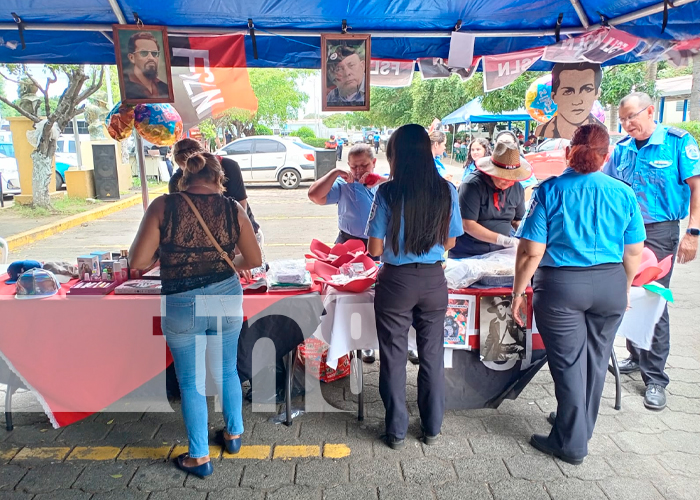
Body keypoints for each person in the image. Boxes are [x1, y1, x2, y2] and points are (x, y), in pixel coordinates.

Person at [511, 123, 645, 465]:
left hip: (561, 288)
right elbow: (633, 252)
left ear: (569, 151)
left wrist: (517, 292)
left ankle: (570, 445)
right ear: (607, 156)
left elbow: (530, 252)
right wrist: (624, 288)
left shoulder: (549, 191)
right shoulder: (623, 191)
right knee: (595, 362)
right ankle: (577, 425)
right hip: (611, 283)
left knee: (569, 364)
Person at [128, 143, 263, 478]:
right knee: (228, 370)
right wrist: (227, 262)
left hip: (182, 300)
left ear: (183, 178)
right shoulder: (234, 208)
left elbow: (137, 262)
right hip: (226, 296)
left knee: (190, 381)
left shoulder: (163, 206)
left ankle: (199, 456)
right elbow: (255, 260)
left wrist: (167, 253)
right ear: (219, 178)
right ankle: (233, 435)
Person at [366, 124, 463, 450]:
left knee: (393, 356)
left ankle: (395, 431)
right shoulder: (447, 190)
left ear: (396, 155)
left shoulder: (387, 192)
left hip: (396, 281)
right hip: (435, 280)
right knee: (432, 355)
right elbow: (450, 241)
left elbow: (375, 250)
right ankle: (432, 427)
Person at [603, 92, 700, 410]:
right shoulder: (621, 150)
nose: (628, 123)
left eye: (633, 116)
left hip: (661, 232)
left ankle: (656, 378)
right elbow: (607, 188)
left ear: (650, 111)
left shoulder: (677, 142)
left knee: (655, 298)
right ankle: (635, 353)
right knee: (628, 296)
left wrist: (693, 232)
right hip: (626, 234)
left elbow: (697, 187)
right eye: (624, 118)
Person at [308, 143, 386, 364]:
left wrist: (381, 182)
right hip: (349, 245)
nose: (359, 171)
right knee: (350, 297)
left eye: (364, 166)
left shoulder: (386, 183)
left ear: (374, 163)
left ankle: (382, 339)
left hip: (379, 245)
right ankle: (358, 342)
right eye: (354, 167)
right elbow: (315, 196)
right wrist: (334, 173)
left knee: (378, 294)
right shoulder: (344, 184)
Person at [169, 138, 262, 244]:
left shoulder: (228, 166)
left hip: (238, 229)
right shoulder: (176, 181)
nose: (192, 170)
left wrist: (238, 241)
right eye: (186, 168)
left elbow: (241, 205)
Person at [449, 142, 530, 259]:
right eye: (503, 177)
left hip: (502, 253)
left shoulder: (516, 187)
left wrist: (523, 235)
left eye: (511, 178)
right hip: (469, 253)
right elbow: (467, 224)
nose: (507, 181)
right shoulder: (471, 185)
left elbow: (517, 219)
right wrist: (502, 240)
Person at [535, 62, 603, 140]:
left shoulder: (601, 132)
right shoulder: (542, 131)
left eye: (587, 89)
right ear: (554, 96)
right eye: (568, 92)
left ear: (597, 93)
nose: (577, 101)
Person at [123, 32, 169, 100]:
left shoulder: (165, 88)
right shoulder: (126, 88)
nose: (151, 57)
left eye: (154, 53)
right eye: (144, 53)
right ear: (132, 58)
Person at [482, 296, 525, 361]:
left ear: (504, 308)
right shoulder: (493, 322)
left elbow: (526, 331)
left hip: (514, 353)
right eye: (497, 310)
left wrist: (523, 345)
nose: (499, 312)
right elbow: (490, 338)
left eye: (501, 309)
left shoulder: (514, 319)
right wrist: (483, 355)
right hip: (500, 353)